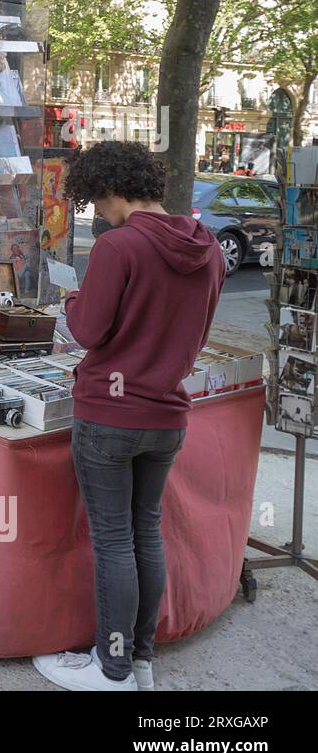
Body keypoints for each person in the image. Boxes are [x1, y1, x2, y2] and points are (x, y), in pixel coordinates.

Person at [33, 141, 224, 692]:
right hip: (166, 414)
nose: (97, 212)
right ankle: (138, 661)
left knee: (114, 541)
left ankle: (111, 669)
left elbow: (89, 330)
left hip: (110, 415)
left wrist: (71, 303)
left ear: (112, 190)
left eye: (96, 201)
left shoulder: (120, 247)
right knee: (147, 533)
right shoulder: (207, 245)